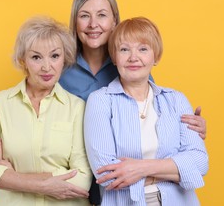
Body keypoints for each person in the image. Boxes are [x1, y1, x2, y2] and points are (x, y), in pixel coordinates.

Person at [0, 0, 207, 205]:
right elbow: (26, 121)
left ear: (115, 20)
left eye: (102, 15)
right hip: (97, 189)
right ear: (74, 22)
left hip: (105, 191)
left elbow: (163, 134)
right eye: (84, 15)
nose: (93, 24)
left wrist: (189, 128)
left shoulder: (132, 70)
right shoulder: (56, 70)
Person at [83, 17, 209, 206]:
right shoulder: (100, 101)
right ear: (115, 58)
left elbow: (199, 163)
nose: (133, 57)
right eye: (124, 49)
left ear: (155, 57)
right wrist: (177, 170)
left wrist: (139, 168)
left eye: (143, 49)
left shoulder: (176, 100)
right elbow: (106, 174)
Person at [0, 16, 92, 205]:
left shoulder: (77, 107)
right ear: (23, 60)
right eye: (36, 57)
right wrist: (44, 185)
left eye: (54, 56)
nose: (47, 67)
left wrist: (12, 176)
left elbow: (82, 179)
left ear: (64, 58)